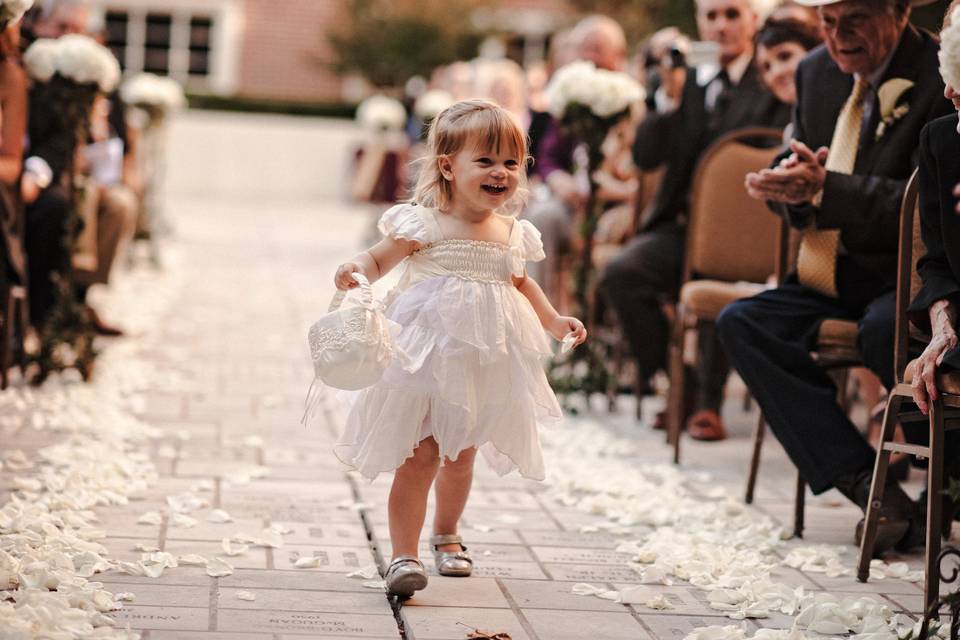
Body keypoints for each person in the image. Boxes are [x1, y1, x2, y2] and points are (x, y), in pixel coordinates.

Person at [331, 100, 587, 598]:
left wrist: (554, 320)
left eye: (511, 163)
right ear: (448, 166)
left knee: (462, 456)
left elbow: (521, 284)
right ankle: (403, 555)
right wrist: (355, 268)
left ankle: (447, 534)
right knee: (420, 455)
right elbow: (380, 260)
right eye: (486, 160)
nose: (500, 173)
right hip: (424, 357)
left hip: (483, 360)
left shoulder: (512, 231)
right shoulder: (423, 224)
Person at [722, 0, 951, 552]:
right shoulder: (815, 71)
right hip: (828, 270)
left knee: (884, 331)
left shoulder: (941, 70)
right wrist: (791, 191)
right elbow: (803, 172)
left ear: (897, 11)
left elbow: (927, 202)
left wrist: (827, 189)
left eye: (854, 19)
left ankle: (944, 492)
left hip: (911, 273)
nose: (836, 35)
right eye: (826, 19)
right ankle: (869, 487)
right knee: (744, 324)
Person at [597, 0, 792, 438]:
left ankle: (708, 402)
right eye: (711, 16)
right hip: (680, 225)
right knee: (620, 275)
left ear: (752, 21)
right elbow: (646, 155)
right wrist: (668, 95)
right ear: (699, 22)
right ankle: (675, 379)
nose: (721, 25)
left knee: (714, 273)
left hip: (746, 228)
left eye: (731, 14)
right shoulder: (685, 81)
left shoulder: (772, 79)